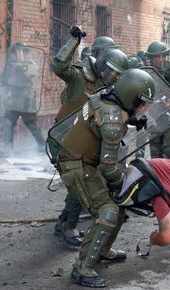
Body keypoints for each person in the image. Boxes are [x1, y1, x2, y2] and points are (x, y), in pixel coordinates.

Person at [54, 69, 155, 287]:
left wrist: (132, 119)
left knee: (118, 205)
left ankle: (102, 250)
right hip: (77, 166)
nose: (142, 109)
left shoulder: (105, 97)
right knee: (108, 210)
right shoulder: (112, 119)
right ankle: (82, 268)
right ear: (130, 96)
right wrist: (127, 184)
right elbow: (108, 167)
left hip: (83, 161)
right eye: (141, 103)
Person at [51, 26, 126, 249]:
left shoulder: (109, 84)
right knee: (80, 181)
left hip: (85, 139)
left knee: (82, 183)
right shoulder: (78, 76)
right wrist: (73, 40)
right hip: (62, 139)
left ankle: (64, 221)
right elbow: (58, 65)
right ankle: (68, 227)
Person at [1, 42, 45, 152]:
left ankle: (43, 147)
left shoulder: (31, 65)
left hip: (26, 102)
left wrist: (20, 62)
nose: (17, 54)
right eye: (16, 52)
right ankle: (8, 150)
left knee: (32, 125)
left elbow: (28, 73)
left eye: (20, 52)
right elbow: (4, 80)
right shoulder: (10, 65)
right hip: (13, 101)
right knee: (8, 123)